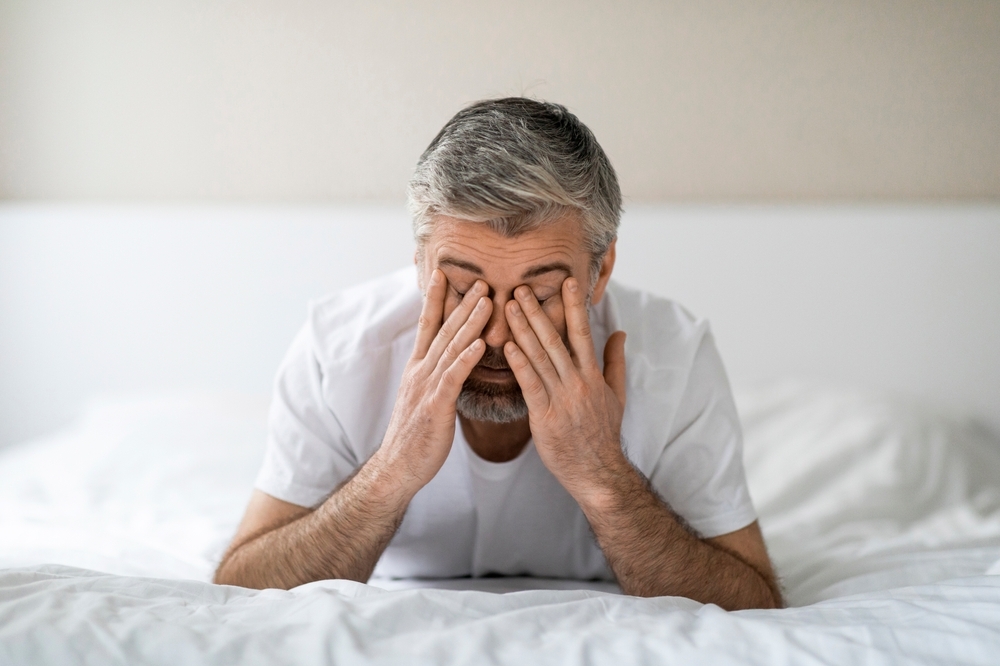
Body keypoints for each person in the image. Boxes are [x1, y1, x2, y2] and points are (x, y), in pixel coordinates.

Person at [214, 98, 782, 610]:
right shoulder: (337, 350)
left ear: (600, 273)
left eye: (538, 295)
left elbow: (753, 601)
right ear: (419, 263)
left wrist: (602, 475)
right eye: (462, 288)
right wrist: (391, 472)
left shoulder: (675, 356)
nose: (494, 334)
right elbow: (239, 588)